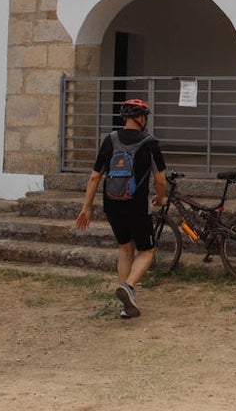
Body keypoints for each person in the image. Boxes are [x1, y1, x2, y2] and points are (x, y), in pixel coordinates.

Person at [75, 98, 168, 319]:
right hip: (136, 205)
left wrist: (86, 208)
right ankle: (128, 286)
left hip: (112, 203)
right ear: (139, 118)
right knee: (146, 251)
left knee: (125, 248)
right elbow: (161, 179)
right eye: (144, 115)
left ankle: (125, 304)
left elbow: (94, 176)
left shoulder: (110, 140)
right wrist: (161, 197)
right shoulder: (150, 142)